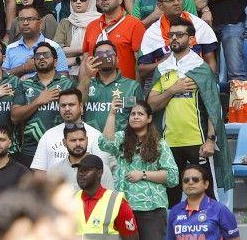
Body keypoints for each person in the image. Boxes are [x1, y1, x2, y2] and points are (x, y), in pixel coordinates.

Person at [146, 17, 231, 202]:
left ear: (191, 39)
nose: (174, 38)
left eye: (179, 35)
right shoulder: (163, 69)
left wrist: (210, 140)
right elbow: (151, 105)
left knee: (206, 197)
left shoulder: (201, 68)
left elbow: (213, 108)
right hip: (168, 143)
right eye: (171, 35)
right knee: (170, 197)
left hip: (197, 143)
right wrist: (173, 90)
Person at [98, 96, 177, 239]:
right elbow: (105, 143)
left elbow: (172, 176)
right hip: (123, 206)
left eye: (140, 114)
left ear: (149, 118)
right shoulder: (122, 138)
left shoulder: (160, 144)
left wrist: (144, 174)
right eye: (132, 114)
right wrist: (112, 113)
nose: (135, 117)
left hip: (151, 208)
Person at [73, 153, 139, 238]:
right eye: (79, 170)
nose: (81, 174)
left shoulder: (117, 202)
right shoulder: (71, 201)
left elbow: (132, 238)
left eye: (86, 170)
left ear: (99, 173)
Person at [167, 164, 240, 239]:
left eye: (195, 179)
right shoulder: (175, 211)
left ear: (206, 184)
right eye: (186, 180)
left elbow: (234, 238)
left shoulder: (220, 210)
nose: (190, 182)